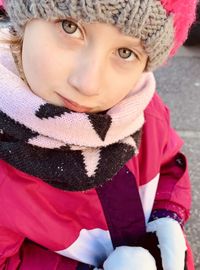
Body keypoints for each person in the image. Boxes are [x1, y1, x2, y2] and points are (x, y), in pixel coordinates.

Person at [0, 1, 197, 269]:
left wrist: (167, 216)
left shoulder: (142, 110)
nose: (88, 84)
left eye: (125, 52)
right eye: (69, 27)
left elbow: (168, 165)